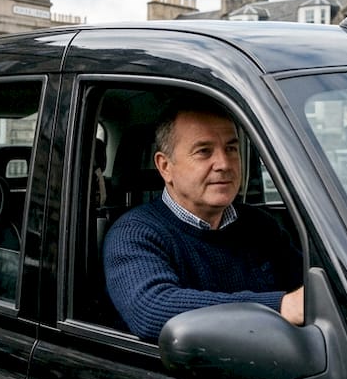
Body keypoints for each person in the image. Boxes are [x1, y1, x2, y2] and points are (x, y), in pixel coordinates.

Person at [103, 99, 305, 341]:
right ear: (165, 166)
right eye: (204, 151)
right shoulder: (134, 233)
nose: (224, 164)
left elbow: (313, 290)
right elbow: (153, 310)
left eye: (231, 148)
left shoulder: (260, 226)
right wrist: (281, 307)